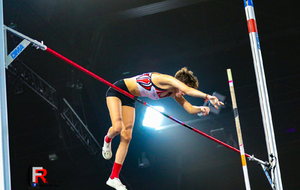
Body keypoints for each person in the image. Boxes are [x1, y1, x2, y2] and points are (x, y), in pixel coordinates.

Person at [102, 67, 223, 190]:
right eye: (184, 91)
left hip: (129, 98)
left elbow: (190, 108)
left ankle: (113, 178)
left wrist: (201, 108)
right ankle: (107, 139)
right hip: (117, 91)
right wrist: (208, 96)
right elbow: (187, 89)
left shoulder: (173, 93)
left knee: (127, 137)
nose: (184, 94)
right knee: (117, 128)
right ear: (179, 83)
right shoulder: (165, 79)